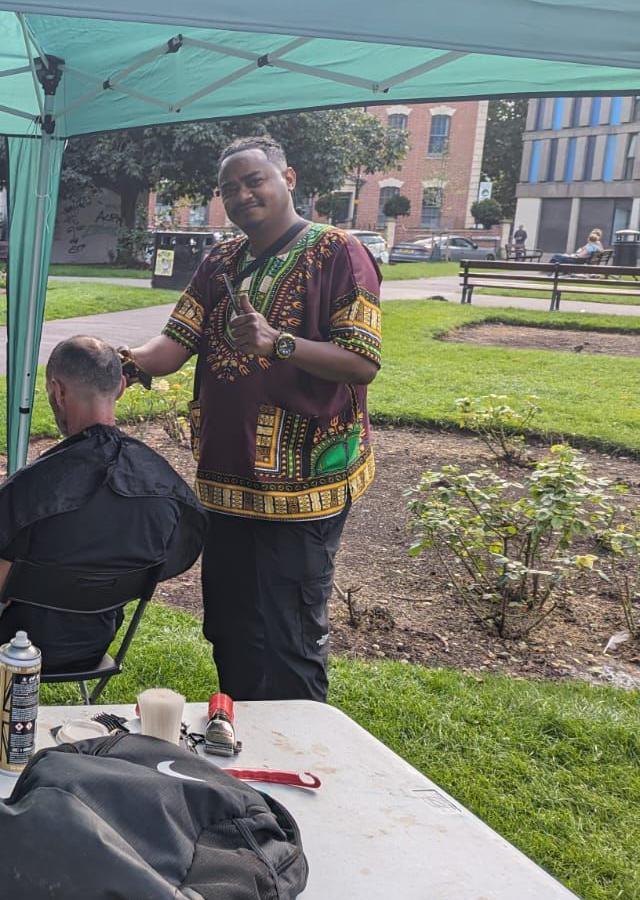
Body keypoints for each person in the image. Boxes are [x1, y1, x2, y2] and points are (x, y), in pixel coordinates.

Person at [123, 135, 382, 702]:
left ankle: (301, 766)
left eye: (253, 181)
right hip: (227, 481)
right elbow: (174, 341)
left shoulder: (338, 252)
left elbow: (362, 362)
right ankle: (239, 751)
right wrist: (120, 364)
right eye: (229, 189)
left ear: (287, 179)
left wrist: (278, 343)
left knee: (289, 636)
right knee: (232, 628)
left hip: (303, 487)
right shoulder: (220, 261)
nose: (241, 195)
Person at [0, 336, 206, 702]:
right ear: (119, 387)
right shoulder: (165, 487)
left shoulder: (39, 488)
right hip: (91, 645)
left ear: (57, 391)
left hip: (13, 646)